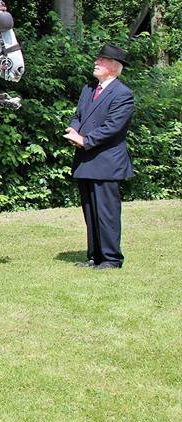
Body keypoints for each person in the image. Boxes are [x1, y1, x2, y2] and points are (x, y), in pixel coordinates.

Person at [64, 43, 134, 270]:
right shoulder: (88, 89)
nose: (96, 62)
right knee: (90, 211)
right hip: (86, 160)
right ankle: (94, 257)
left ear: (114, 67)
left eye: (102, 60)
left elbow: (113, 126)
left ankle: (112, 259)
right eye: (98, 59)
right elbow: (79, 115)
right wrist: (73, 131)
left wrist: (86, 140)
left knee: (107, 213)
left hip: (107, 161)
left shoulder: (123, 94)